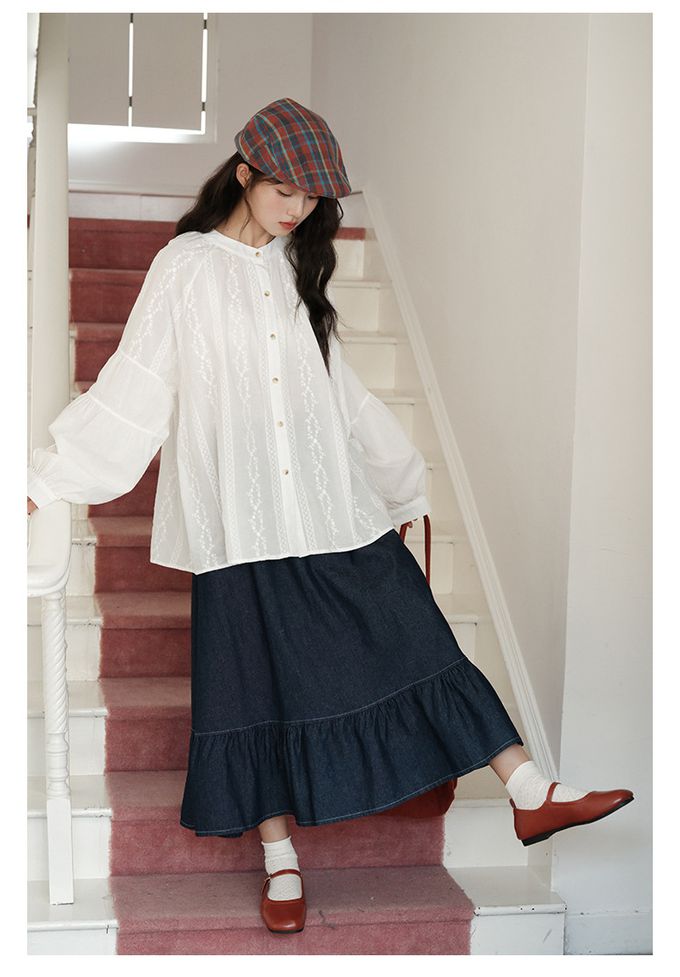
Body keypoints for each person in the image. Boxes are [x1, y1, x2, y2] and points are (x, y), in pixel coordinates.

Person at [27, 97, 634, 935]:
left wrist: (398, 477)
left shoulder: (295, 270)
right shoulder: (185, 266)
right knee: (253, 692)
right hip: (239, 523)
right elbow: (137, 385)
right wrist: (47, 478)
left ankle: (532, 790)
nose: (298, 208)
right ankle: (281, 861)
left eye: (311, 196)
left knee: (417, 636)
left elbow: (336, 390)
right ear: (245, 172)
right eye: (285, 190)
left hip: (330, 504)